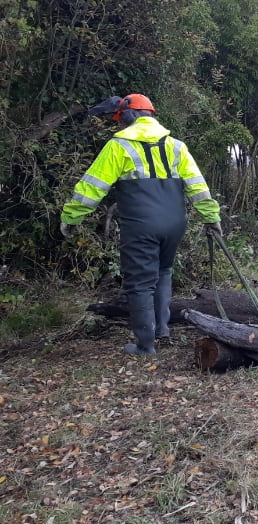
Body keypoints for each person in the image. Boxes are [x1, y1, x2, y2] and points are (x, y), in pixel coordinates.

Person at [60, 94, 222, 357]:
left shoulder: (119, 146)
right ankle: (162, 329)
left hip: (141, 223)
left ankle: (145, 345)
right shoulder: (176, 146)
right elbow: (197, 186)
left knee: (140, 283)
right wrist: (211, 218)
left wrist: (72, 216)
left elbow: (92, 187)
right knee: (164, 271)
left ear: (128, 116)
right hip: (174, 223)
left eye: (120, 119)